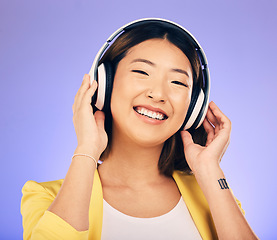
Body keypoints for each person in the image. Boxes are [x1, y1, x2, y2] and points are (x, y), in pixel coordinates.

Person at [21, 19, 259, 240]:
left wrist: (210, 170)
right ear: (106, 84)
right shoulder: (45, 196)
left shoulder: (212, 196)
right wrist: (86, 149)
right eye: (142, 72)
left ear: (194, 107)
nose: (157, 94)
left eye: (177, 82)